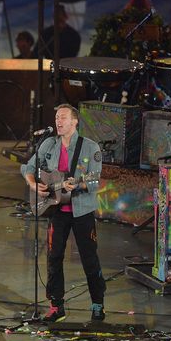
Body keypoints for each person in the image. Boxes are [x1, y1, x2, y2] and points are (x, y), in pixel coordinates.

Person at [21, 104, 106, 323]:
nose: (58, 121)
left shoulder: (90, 147)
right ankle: (56, 305)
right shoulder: (48, 144)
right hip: (57, 209)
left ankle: (98, 303)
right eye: (57, 117)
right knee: (54, 256)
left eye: (63, 117)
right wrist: (33, 185)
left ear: (74, 121)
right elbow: (28, 168)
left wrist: (76, 185)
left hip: (82, 212)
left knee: (89, 258)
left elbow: (95, 180)